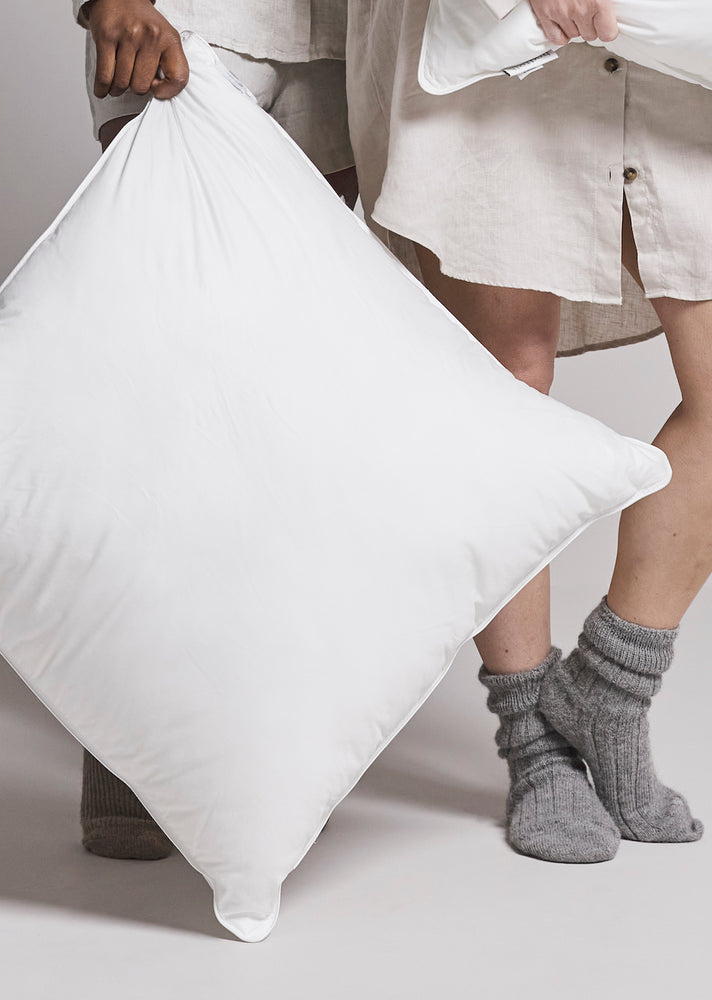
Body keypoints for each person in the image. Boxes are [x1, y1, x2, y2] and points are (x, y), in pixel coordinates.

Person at [345, 0, 708, 861]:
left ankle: (610, 687)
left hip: (674, 46)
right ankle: (533, 741)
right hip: (489, 45)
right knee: (508, 381)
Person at [70, 0, 358, 860]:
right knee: (160, 375)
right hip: (183, 22)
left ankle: (259, 738)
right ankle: (129, 738)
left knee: (284, 393)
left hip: (343, 39)